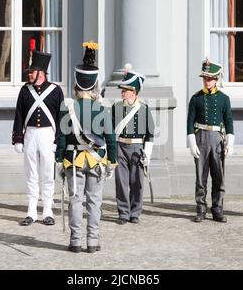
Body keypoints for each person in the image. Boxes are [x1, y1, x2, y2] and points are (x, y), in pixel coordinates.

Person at [55, 41, 117, 253]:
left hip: (73, 161)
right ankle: (92, 241)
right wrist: (112, 162)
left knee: (75, 201)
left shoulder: (67, 107)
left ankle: (75, 241)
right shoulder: (102, 109)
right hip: (96, 161)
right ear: (95, 85)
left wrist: (58, 160)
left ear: (77, 83)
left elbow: (61, 138)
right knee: (94, 202)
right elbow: (111, 138)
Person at [12, 37, 65, 226]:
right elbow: (19, 115)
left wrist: (59, 140)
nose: (29, 75)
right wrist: (18, 138)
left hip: (47, 135)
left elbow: (61, 117)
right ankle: (31, 211)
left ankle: (48, 211)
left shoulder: (55, 91)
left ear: (40, 72)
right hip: (30, 135)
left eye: (31, 72)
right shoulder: (25, 91)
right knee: (31, 173)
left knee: (47, 174)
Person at [187, 58, 234, 223]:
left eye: (209, 78)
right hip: (200, 138)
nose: (206, 81)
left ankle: (217, 209)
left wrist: (230, 142)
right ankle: (200, 209)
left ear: (216, 79)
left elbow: (228, 121)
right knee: (201, 177)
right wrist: (192, 143)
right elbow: (189, 122)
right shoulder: (196, 98)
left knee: (218, 176)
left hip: (217, 139)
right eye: (205, 78)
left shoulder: (224, 98)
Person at [112, 64, 155, 225]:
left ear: (134, 91)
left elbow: (150, 133)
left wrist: (148, 154)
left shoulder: (143, 108)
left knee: (137, 182)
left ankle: (135, 212)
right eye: (122, 90)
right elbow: (110, 132)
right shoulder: (116, 107)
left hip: (137, 148)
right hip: (120, 147)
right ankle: (123, 212)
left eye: (125, 89)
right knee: (121, 182)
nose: (122, 92)